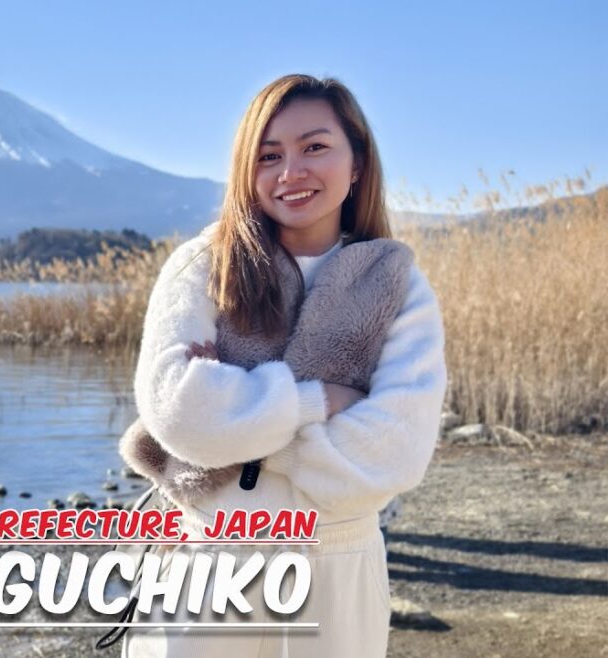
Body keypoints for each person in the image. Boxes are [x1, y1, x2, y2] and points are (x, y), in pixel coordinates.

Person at [123, 74, 448, 657]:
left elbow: (397, 449)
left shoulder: (398, 285)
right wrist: (318, 402)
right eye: (268, 155)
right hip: (209, 561)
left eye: (315, 147)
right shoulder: (202, 265)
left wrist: (243, 428)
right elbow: (178, 410)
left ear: (357, 165)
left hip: (337, 562)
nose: (290, 172)